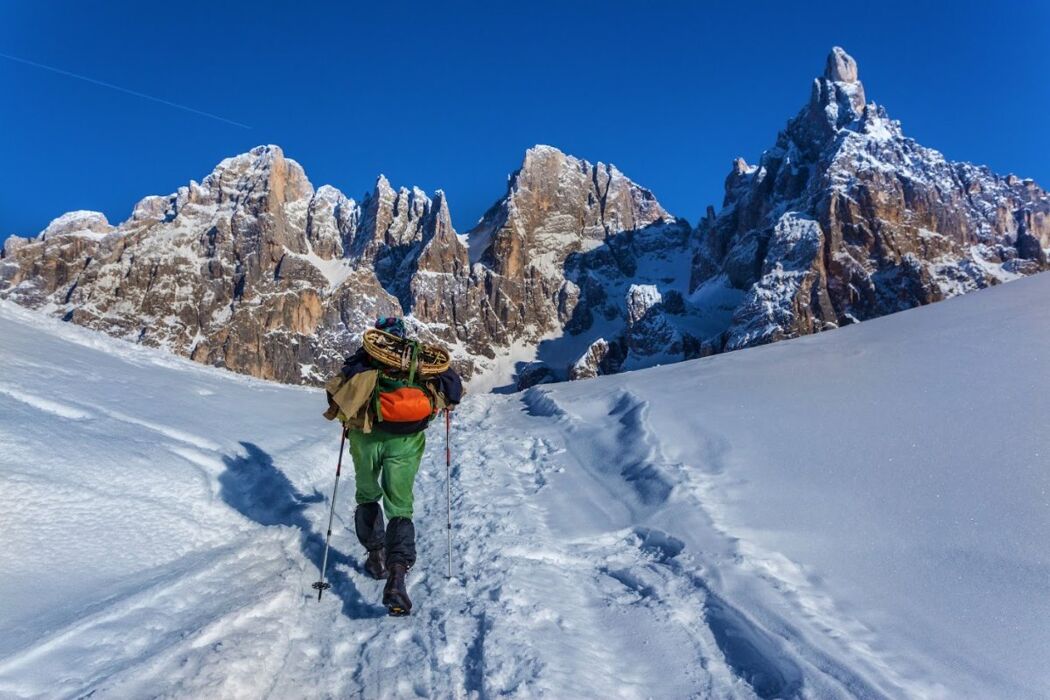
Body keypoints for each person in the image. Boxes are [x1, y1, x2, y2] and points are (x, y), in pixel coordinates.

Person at [323, 316, 463, 616]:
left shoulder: (366, 358)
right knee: (400, 506)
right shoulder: (420, 362)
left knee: (367, 495)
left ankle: (375, 556)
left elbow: (339, 393)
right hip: (407, 442)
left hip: (367, 437)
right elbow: (452, 392)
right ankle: (397, 576)